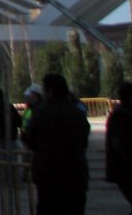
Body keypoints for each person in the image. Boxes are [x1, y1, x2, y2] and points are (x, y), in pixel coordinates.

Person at [22, 72, 90, 215]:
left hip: (49, 174)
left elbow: (30, 139)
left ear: (50, 91)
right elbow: (84, 139)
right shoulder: (77, 113)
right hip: (75, 173)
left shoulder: (40, 114)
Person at [106, 81, 132, 214]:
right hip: (127, 170)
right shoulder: (120, 115)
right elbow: (118, 143)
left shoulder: (128, 113)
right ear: (130, 97)